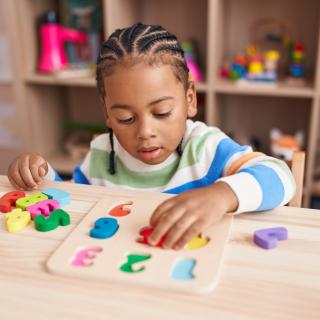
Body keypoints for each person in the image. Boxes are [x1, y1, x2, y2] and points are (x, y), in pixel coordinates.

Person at [7, 23, 296, 250]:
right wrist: (40, 176)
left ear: (190, 99)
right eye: (125, 119)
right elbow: (73, 199)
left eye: (162, 112)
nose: (145, 131)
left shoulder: (206, 147)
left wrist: (221, 195)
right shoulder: (101, 152)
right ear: (106, 112)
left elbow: (281, 176)